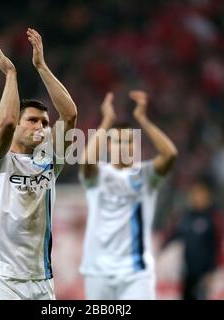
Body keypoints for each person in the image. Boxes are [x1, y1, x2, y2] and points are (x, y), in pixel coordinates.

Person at [0, 28, 77, 300]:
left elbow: (69, 114)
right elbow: (6, 122)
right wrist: (11, 74)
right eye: (32, 120)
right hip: (1, 276)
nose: (41, 127)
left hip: (41, 278)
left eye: (44, 122)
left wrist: (41, 66)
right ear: (19, 125)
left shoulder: (49, 161)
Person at [78, 90, 177, 299]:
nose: (123, 146)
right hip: (98, 271)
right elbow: (86, 161)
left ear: (137, 145)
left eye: (129, 141)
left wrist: (143, 120)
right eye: (117, 141)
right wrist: (107, 121)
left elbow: (170, 154)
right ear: (108, 145)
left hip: (136, 274)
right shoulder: (98, 175)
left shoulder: (145, 174)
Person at [161, 180, 224, 300]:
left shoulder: (213, 218)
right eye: (194, 194)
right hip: (188, 271)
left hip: (204, 273)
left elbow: (218, 245)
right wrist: (163, 246)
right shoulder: (186, 217)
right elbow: (175, 234)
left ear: (207, 196)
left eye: (200, 194)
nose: (197, 198)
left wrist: (212, 270)